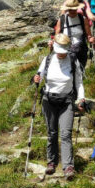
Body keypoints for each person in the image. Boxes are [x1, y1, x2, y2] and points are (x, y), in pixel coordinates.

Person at [33, 33, 85, 180]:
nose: (61, 55)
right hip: (48, 100)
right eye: (59, 52)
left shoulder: (73, 61)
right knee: (52, 133)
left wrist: (81, 99)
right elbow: (39, 76)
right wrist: (36, 78)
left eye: (63, 52)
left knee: (65, 134)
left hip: (67, 101)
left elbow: (79, 83)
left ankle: (68, 166)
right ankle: (52, 163)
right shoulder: (48, 59)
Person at [54, 0, 95, 68]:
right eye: (70, 10)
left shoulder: (83, 19)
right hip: (66, 50)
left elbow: (89, 35)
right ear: (67, 9)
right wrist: (53, 43)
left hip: (81, 50)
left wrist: (90, 39)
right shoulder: (62, 19)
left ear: (77, 8)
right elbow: (57, 36)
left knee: (81, 69)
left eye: (74, 9)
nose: (72, 11)